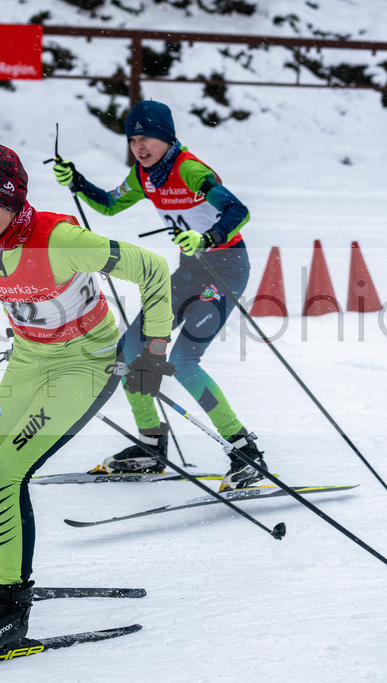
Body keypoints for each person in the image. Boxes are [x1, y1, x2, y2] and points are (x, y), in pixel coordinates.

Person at [0, 143, 173, 654]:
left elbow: (153, 270)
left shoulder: (60, 239)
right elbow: (25, 296)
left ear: (11, 202)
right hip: (29, 360)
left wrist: (154, 347)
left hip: (84, 365)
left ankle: (11, 606)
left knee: (11, 473)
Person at [52, 99, 267, 492]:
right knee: (129, 353)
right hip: (189, 272)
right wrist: (77, 182)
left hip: (226, 268)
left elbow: (238, 211)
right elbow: (112, 205)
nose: (140, 146)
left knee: (184, 360)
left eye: (147, 137)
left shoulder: (189, 169)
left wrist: (207, 237)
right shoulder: (143, 176)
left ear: (166, 138)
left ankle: (245, 451)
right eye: (133, 139)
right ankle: (151, 444)